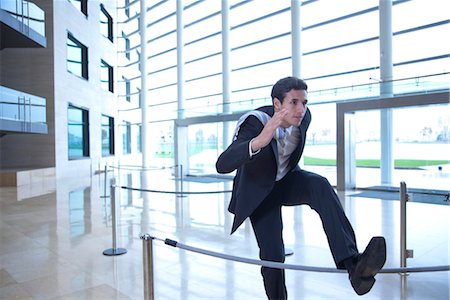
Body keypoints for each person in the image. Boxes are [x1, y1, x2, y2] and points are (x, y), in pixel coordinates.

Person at [216, 76, 386, 299]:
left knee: (320, 185)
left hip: (286, 181)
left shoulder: (304, 119)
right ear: (277, 105)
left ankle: (354, 267)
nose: (301, 109)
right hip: (260, 192)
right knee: (273, 255)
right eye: (293, 102)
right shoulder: (255, 122)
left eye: (304, 102)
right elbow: (222, 164)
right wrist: (260, 140)